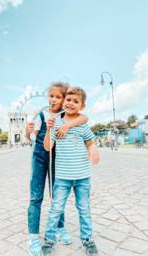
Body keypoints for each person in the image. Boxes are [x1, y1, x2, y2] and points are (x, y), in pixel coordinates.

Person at [26, 82, 89, 256]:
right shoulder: (41, 114)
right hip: (39, 157)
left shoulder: (65, 116)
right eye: (51, 96)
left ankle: (59, 228)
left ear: (64, 100)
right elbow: (30, 136)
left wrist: (67, 125)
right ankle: (32, 235)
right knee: (36, 196)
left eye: (58, 97)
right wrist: (27, 130)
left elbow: (84, 118)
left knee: (57, 196)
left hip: (58, 159)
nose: (53, 99)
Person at [42, 86, 100, 256]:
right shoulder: (56, 122)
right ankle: (49, 239)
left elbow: (90, 142)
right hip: (62, 176)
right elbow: (48, 146)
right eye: (68, 100)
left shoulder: (82, 125)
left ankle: (87, 239)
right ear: (64, 101)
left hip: (83, 176)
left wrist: (93, 148)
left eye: (76, 101)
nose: (71, 103)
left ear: (82, 106)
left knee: (84, 208)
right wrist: (48, 129)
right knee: (56, 208)